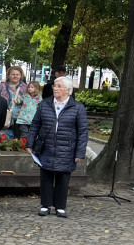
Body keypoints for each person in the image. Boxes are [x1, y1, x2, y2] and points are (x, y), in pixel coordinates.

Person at [26, 76, 88, 217]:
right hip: (46, 145)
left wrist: (80, 152)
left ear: (68, 90)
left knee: (63, 177)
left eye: (59, 86)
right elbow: (35, 124)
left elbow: (83, 131)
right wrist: (30, 143)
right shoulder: (45, 104)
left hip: (67, 148)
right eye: (55, 85)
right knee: (46, 175)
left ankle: (60, 206)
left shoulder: (78, 107)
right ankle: (45, 205)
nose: (55, 88)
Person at [11, 80, 41, 145]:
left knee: (32, 133)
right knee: (24, 133)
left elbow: (40, 107)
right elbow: (20, 100)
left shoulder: (39, 98)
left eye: (32, 87)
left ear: (36, 88)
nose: (30, 88)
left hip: (33, 119)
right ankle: (22, 145)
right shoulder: (25, 96)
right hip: (23, 119)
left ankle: (30, 145)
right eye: (29, 87)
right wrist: (16, 101)